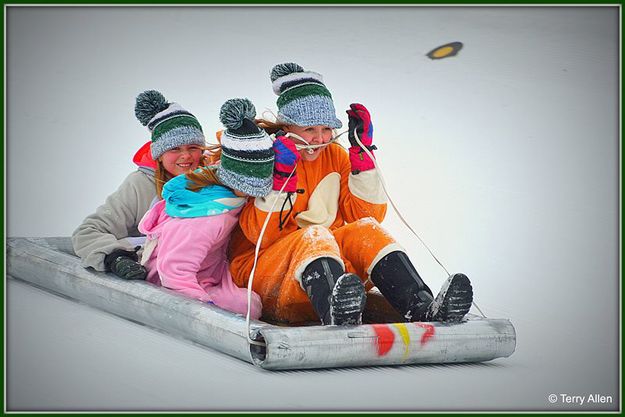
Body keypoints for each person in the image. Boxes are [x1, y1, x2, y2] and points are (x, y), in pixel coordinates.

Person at [228, 62, 474, 326]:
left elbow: (367, 216)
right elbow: (260, 234)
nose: (318, 138)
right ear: (287, 126)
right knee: (315, 234)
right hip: (267, 274)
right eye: (309, 129)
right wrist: (279, 179)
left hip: (327, 264)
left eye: (325, 129)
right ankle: (335, 312)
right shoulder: (264, 158)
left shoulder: (335, 156)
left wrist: (362, 162)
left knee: (366, 230)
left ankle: (422, 307)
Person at [137, 98, 272, 318]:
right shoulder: (207, 217)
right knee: (246, 306)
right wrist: (206, 308)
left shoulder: (228, 193)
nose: (256, 192)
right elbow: (175, 271)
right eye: (249, 183)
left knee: (251, 302)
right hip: (170, 280)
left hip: (211, 271)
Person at [72, 90, 208, 280]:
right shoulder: (141, 185)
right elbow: (88, 231)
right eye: (175, 148)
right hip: (150, 268)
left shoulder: (212, 182)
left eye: (193, 147)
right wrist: (117, 257)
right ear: (159, 154)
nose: (186, 156)